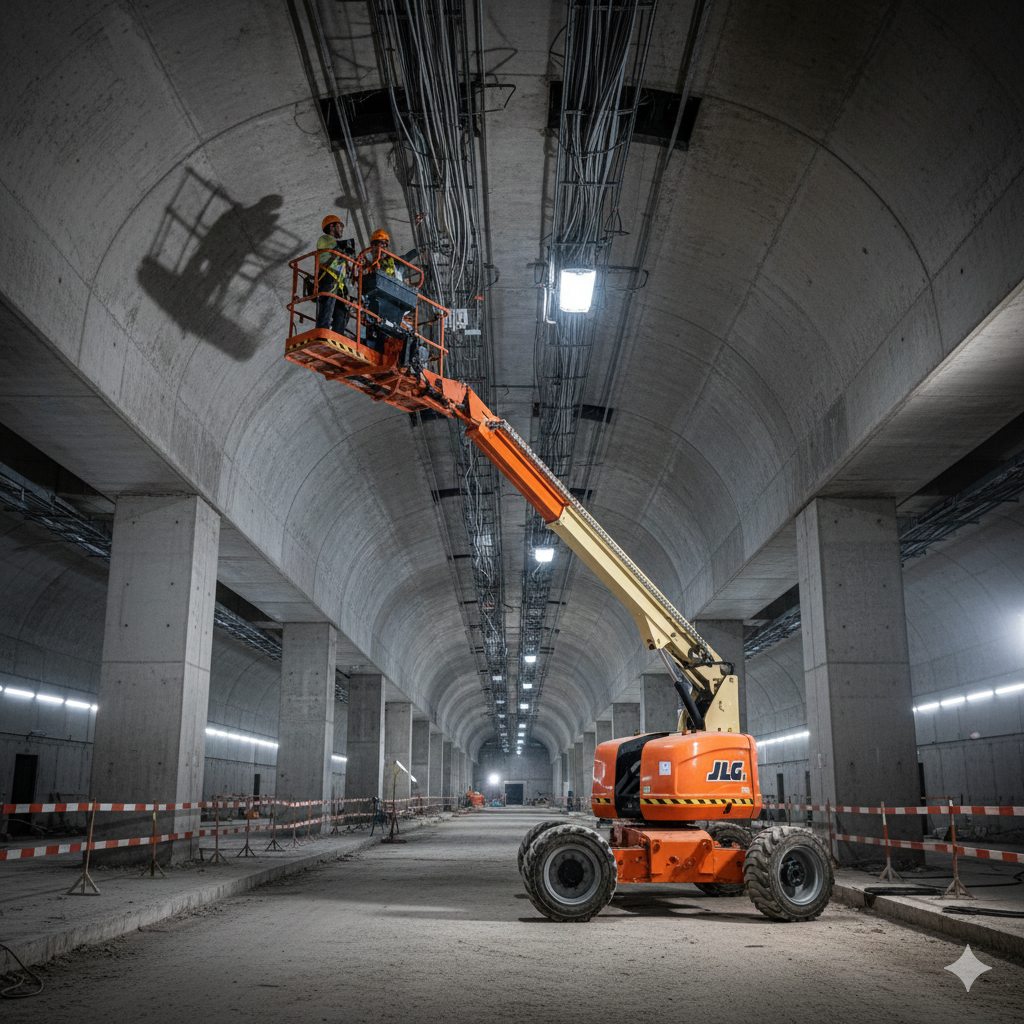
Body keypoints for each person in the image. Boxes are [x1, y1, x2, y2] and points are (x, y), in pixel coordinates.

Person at [315, 214, 350, 335]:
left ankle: (338, 336)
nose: (341, 229)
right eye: (340, 226)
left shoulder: (336, 244)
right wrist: (341, 252)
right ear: (332, 226)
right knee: (327, 308)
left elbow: (342, 268)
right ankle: (322, 332)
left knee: (342, 311)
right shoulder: (325, 239)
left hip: (339, 284)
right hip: (328, 279)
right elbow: (327, 258)